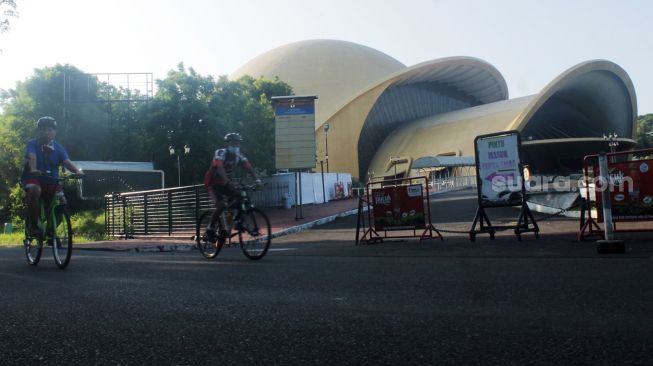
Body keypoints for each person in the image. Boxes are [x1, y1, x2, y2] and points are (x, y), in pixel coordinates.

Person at [21, 116, 84, 237]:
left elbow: (66, 161)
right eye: (43, 129)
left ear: (55, 132)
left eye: (49, 130)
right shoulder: (32, 144)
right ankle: (33, 226)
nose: (46, 132)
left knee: (62, 203)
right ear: (38, 131)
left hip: (51, 180)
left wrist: (77, 171)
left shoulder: (58, 147)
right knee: (34, 189)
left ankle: (51, 231)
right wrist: (34, 169)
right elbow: (32, 157)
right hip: (33, 178)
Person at [203, 132, 262, 241]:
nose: (236, 145)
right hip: (212, 183)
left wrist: (257, 181)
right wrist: (227, 181)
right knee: (221, 205)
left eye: (238, 143)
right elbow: (219, 167)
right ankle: (210, 228)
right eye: (233, 143)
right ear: (227, 144)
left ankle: (234, 223)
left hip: (225, 183)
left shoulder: (239, 156)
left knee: (238, 199)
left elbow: (249, 168)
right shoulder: (220, 153)